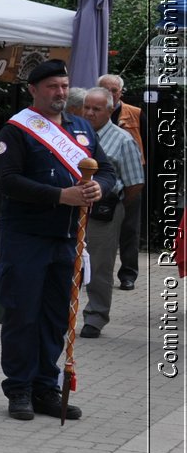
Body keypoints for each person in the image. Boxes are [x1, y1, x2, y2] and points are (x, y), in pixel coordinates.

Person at [0, 59, 116, 422]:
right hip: (27, 238)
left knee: (56, 317)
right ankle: (19, 389)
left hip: (67, 240)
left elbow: (106, 170)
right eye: (52, 87)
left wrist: (98, 188)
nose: (60, 92)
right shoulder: (16, 131)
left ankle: (46, 386)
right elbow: (9, 181)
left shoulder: (81, 128)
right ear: (34, 90)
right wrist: (60, 196)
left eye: (64, 85)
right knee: (22, 315)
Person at [77, 86, 144, 339]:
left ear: (111, 110)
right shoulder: (74, 134)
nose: (90, 113)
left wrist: (114, 205)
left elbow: (135, 183)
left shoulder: (122, 139)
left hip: (104, 211)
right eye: (87, 107)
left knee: (100, 266)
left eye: (97, 109)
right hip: (72, 207)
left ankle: (95, 317)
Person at [97, 74, 144, 291]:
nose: (110, 94)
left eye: (113, 91)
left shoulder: (135, 113)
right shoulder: (91, 113)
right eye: (105, 90)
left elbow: (148, 144)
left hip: (131, 178)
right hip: (103, 182)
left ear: (120, 93)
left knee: (129, 229)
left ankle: (128, 274)